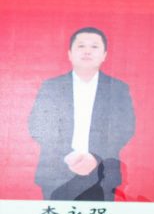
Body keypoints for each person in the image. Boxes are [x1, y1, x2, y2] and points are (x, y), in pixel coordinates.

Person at [28, 27, 136, 201]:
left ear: (104, 55)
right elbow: (37, 125)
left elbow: (125, 128)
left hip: (102, 174)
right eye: (81, 46)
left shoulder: (118, 88)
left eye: (94, 46)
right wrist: (69, 156)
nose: (87, 51)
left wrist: (95, 157)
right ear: (70, 54)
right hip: (57, 172)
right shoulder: (51, 86)